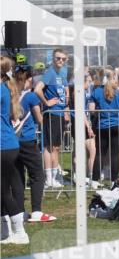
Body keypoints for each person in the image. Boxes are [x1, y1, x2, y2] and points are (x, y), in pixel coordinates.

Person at [15, 65, 55, 223]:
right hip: (28, 140)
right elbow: (39, 119)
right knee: (37, 174)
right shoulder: (31, 97)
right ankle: (37, 210)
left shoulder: (11, 94)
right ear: (29, 79)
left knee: (18, 177)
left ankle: (19, 211)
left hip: (12, 142)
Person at [89, 67, 119, 185]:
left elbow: (92, 110)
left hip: (103, 125)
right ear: (114, 77)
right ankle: (115, 180)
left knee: (100, 153)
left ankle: (94, 180)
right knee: (115, 153)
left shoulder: (96, 91)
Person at [1, 56, 29, 244]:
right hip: (8, 145)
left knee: (3, 191)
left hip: (3, 145)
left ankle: (19, 232)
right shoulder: (5, 88)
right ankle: (6, 232)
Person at [34, 48, 69, 188]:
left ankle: (54, 177)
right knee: (50, 147)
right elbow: (37, 89)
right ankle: (49, 178)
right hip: (52, 114)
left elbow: (65, 91)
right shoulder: (50, 73)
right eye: (57, 58)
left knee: (57, 147)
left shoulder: (62, 73)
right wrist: (46, 102)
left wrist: (66, 103)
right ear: (53, 59)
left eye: (63, 59)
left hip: (60, 114)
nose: (60, 61)